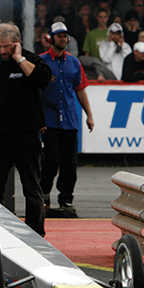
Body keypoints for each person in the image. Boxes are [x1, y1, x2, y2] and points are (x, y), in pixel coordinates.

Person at [0, 23, 51, 237]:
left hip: (27, 135)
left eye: (7, 46)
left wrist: (19, 58)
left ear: (16, 44)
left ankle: (36, 232)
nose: (3, 51)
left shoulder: (30, 60)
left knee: (32, 187)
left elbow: (42, 79)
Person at [39, 22, 94, 217]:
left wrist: (89, 115)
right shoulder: (41, 62)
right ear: (51, 38)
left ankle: (66, 199)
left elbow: (80, 89)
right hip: (49, 120)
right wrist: (38, 118)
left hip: (70, 119)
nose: (62, 39)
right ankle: (43, 196)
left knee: (69, 163)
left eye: (65, 36)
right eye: (59, 35)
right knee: (49, 161)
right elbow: (35, 92)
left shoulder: (74, 62)